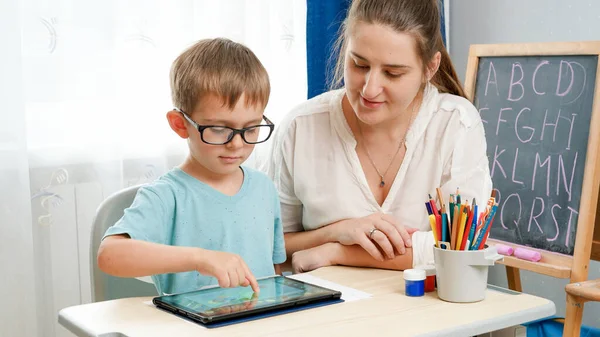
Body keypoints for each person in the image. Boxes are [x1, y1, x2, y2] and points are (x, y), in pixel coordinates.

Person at [262, 0, 492, 273]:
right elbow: (270, 246)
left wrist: (339, 252)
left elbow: (462, 246)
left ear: (429, 68)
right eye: (359, 65)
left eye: (392, 73)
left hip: (429, 312)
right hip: (328, 313)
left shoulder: (457, 124)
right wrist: (338, 231)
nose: (370, 90)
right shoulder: (300, 128)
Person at [97, 38, 286, 295]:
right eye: (219, 129)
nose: (237, 144)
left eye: (251, 128)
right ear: (180, 124)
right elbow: (110, 255)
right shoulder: (167, 196)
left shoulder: (264, 188)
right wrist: (200, 258)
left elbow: (275, 274)